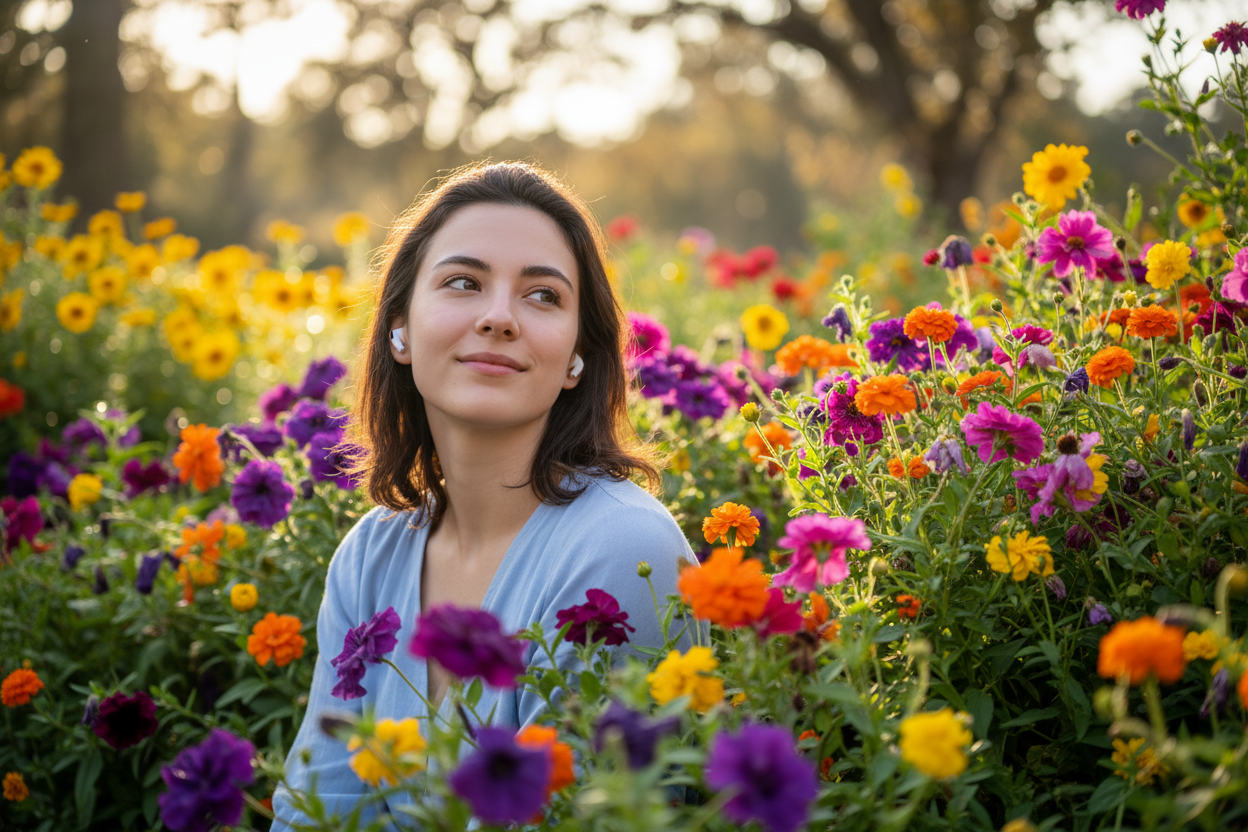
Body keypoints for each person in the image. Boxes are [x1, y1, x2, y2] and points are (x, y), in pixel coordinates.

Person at [271, 162, 696, 831]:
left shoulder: (620, 548)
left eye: (543, 296)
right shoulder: (370, 558)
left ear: (577, 357)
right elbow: (315, 812)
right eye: (464, 283)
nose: (499, 317)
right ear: (400, 328)